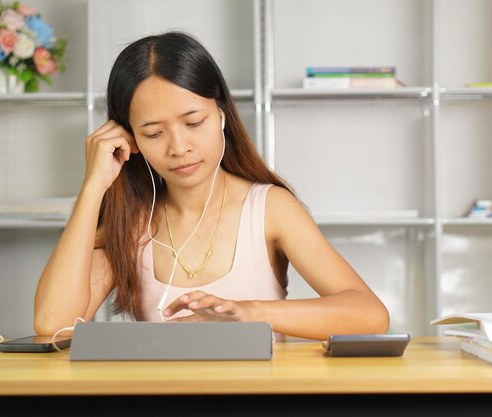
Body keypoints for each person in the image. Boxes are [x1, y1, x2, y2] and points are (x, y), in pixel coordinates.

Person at [34, 32, 389, 340]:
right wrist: (94, 185)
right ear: (131, 140)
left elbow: (370, 315)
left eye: (193, 122)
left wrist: (247, 313)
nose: (179, 147)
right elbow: (53, 324)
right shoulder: (131, 222)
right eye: (154, 133)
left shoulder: (270, 209)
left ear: (220, 114)